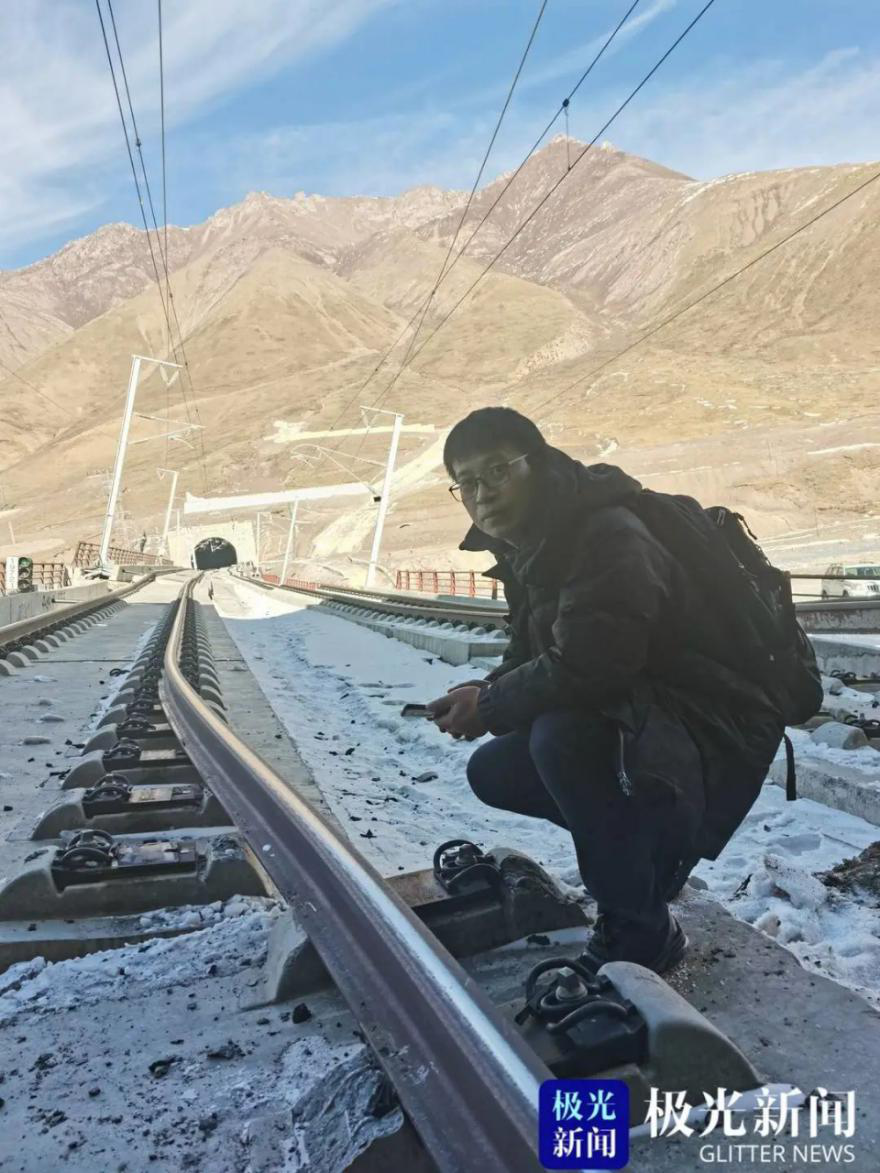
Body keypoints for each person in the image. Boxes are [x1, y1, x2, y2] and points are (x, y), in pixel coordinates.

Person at [427, 407, 785, 975]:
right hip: (655, 715)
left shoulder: (606, 533)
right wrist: (485, 689)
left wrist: (489, 705)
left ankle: (642, 929)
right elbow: (537, 651)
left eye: (496, 471)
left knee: (563, 736)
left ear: (537, 463)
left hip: (718, 723)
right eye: (466, 482)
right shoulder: (532, 543)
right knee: (494, 770)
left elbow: (593, 665)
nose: (482, 494)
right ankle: (644, 866)